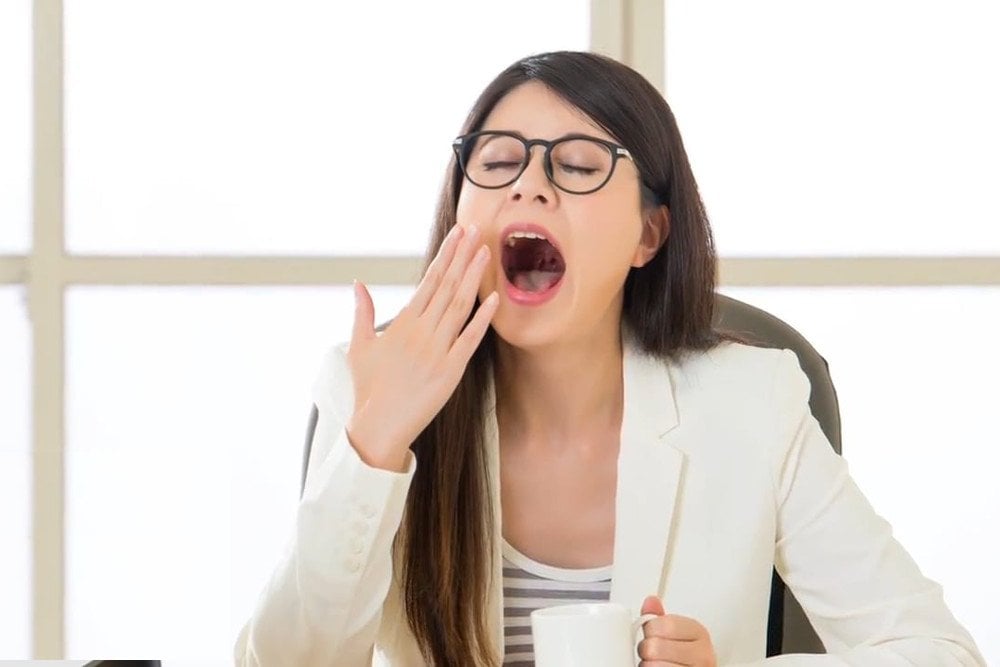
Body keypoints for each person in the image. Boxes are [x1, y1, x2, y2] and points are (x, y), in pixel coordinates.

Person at [234, 51, 984, 666]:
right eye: (497, 161)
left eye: (579, 164)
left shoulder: (753, 402)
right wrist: (375, 444)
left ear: (647, 237)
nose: (530, 183)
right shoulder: (365, 384)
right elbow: (286, 661)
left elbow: (937, 652)